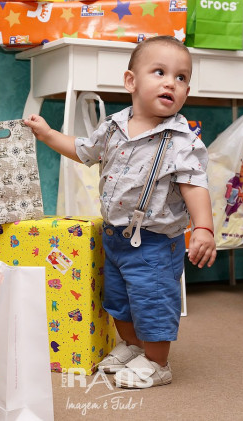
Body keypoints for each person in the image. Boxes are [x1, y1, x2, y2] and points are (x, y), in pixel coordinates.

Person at [24, 35, 216, 388]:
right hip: (114, 236)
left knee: (153, 301)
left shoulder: (182, 141)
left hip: (155, 243)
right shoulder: (112, 127)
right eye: (159, 72)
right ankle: (132, 345)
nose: (171, 83)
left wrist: (203, 227)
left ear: (187, 91)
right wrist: (48, 134)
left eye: (181, 77)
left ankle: (158, 362)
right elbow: (83, 150)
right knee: (119, 300)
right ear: (131, 81)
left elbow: (195, 185)